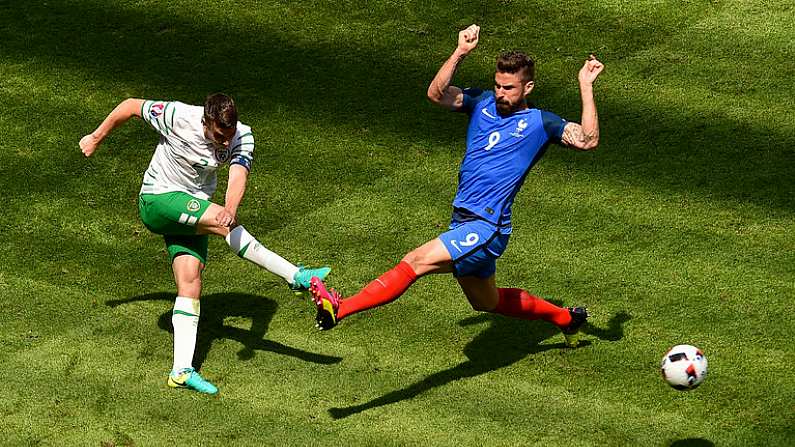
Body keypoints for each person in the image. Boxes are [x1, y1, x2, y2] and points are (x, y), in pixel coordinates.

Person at [309, 25, 604, 348]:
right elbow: (437, 94)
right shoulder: (481, 102)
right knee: (486, 303)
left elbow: (588, 141)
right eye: (497, 85)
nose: (500, 93)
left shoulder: (541, 123)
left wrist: (585, 86)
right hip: (463, 218)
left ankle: (341, 308)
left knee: (416, 260)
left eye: (508, 87)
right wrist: (460, 52)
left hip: (487, 224)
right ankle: (566, 318)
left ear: (528, 87)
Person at [79, 94, 330, 395]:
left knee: (191, 283)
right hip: (158, 200)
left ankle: (181, 371)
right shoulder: (177, 116)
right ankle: (296, 277)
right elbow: (132, 105)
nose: (225, 142)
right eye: (219, 136)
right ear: (206, 122)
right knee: (226, 228)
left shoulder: (242, 135)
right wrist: (95, 138)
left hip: (190, 208)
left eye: (229, 135)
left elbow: (238, 175)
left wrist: (230, 208)